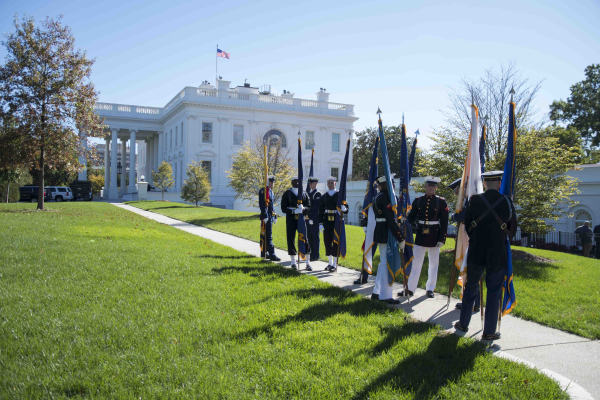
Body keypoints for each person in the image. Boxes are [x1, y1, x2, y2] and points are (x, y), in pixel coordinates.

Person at [454, 171, 517, 341]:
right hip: (497, 252)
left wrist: (476, 238)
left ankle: (463, 323)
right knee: (494, 290)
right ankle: (489, 331)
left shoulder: (474, 200)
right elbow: (512, 231)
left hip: (477, 250)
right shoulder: (507, 202)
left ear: (485, 183)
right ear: (499, 183)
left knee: (471, 287)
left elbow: (467, 225)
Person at [398, 177, 449, 299]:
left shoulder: (441, 202)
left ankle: (430, 288)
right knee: (416, 263)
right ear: (425, 186)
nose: (431, 188)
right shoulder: (418, 200)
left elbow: (445, 221)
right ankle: (410, 288)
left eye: (433, 186)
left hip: (435, 235)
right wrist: (404, 219)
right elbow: (412, 217)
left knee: (433, 264)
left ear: (436, 188)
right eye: (429, 185)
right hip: (421, 234)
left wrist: (442, 239)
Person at [371, 175, 405, 304]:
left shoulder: (380, 196)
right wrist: (400, 237)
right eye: (392, 183)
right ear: (386, 185)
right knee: (386, 263)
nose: (394, 185)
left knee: (383, 262)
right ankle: (385, 295)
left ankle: (377, 291)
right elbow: (390, 220)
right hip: (386, 232)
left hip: (382, 231)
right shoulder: (386, 198)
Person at [448, 178, 480, 313]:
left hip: (468, 235)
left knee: (468, 268)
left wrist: (453, 217)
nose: (456, 194)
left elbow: (463, 216)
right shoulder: (469, 199)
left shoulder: (471, 200)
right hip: (466, 234)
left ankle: (470, 301)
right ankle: (472, 301)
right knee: (469, 269)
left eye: (457, 191)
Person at [280, 177, 312, 271]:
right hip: (291, 219)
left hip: (301, 220)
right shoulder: (287, 193)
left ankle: (307, 263)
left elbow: (309, 206)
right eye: (295, 181)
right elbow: (283, 208)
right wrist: (294, 211)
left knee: (304, 238)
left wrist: (303, 209)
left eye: (298, 181)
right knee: (291, 238)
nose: (297, 183)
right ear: (291, 182)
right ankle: (293, 261)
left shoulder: (304, 193)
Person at [319, 176, 348, 272]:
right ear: (327, 184)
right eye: (329, 183)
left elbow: (346, 207)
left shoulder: (340, 195)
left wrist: (345, 209)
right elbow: (321, 210)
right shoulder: (324, 196)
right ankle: (330, 262)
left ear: (335, 183)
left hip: (336, 220)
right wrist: (320, 223)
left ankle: (335, 263)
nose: (330, 184)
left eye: (332, 183)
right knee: (327, 241)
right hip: (327, 220)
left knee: (335, 241)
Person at [258, 175, 280, 261]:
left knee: (268, 235)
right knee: (266, 235)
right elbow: (262, 204)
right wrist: (265, 215)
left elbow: (272, 206)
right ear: (267, 182)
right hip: (265, 216)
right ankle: (271, 254)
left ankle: (265, 252)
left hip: (270, 216)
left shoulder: (271, 192)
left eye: (273, 182)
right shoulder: (263, 191)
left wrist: (274, 216)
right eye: (271, 182)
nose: (272, 184)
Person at [306, 177, 321, 262]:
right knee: (309, 237)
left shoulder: (317, 194)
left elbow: (316, 208)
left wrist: (313, 219)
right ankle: (311, 254)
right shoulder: (309, 193)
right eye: (310, 183)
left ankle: (316, 255)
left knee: (315, 238)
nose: (310, 184)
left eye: (312, 183)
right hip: (308, 219)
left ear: (316, 184)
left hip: (314, 220)